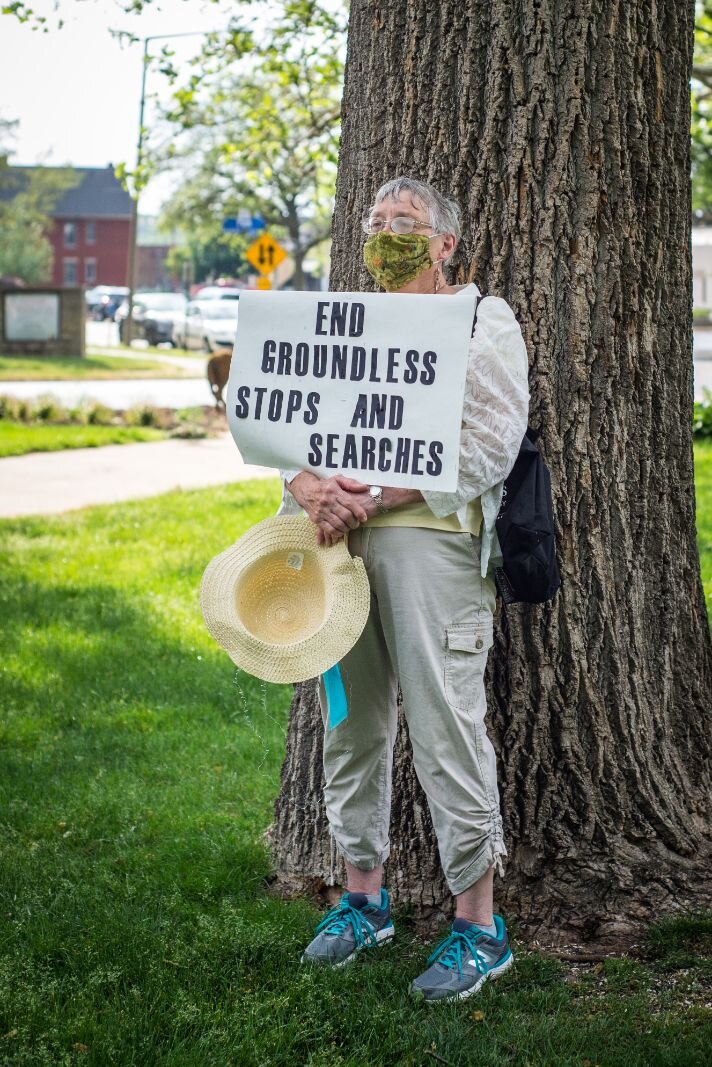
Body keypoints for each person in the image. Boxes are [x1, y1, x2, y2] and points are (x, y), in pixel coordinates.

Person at [278, 176, 530, 1003]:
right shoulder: (345, 322)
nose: (386, 233)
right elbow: (289, 416)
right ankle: (362, 900)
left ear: (446, 244)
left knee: (444, 727)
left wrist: (379, 494)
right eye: (376, 221)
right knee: (351, 726)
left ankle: (478, 927)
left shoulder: (480, 319)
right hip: (339, 557)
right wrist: (310, 483)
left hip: (432, 550)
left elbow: (488, 443)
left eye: (406, 223)